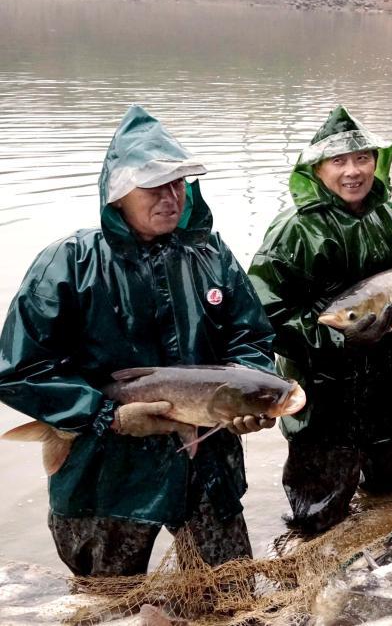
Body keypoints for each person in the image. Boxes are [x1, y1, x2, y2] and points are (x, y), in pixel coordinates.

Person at [0, 105, 278, 577]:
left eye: (178, 184)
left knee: (228, 594)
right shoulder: (68, 263)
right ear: (119, 194)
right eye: (154, 186)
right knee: (109, 603)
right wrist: (106, 415)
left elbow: (251, 337)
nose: (171, 197)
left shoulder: (211, 254)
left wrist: (250, 396)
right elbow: (20, 371)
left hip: (205, 466)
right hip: (106, 478)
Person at [247, 106, 392, 534]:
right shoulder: (292, 231)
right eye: (338, 161)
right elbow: (266, 317)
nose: (352, 171)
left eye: (362, 159)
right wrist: (339, 342)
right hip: (323, 397)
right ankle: (314, 580)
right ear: (317, 169)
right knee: (317, 516)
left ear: (377, 163)